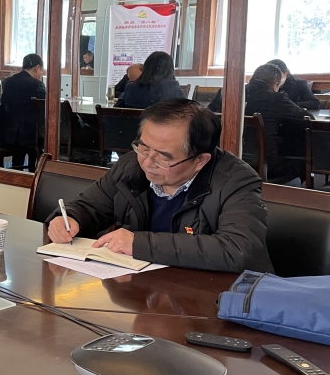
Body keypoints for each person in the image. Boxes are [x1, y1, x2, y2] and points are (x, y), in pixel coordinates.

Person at [47, 98, 271, 273]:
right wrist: (69, 219)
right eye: (144, 148)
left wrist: (138, 244)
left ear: (200, 160)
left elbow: (237, 250)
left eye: (163, 157)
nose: (147, 162)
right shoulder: (130, 167)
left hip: (216, 300)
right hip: (143, 291)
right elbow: (89, 206)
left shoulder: (236, 181)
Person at [244, 63, 311, 182]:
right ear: (275, 85)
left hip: (233, 159)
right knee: (300, 162)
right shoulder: (275, 98)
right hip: (268, 164)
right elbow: (308, 119)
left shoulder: (229, 93)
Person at [0, 53, 46, 172]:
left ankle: (17, 168)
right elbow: (42, 111)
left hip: (3, 135)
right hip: (26, 138)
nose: (42, 74)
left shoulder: (8, 82)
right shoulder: (37, 85)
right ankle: (36, 173)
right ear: (37, 68)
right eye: (42, 71)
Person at [115, 51, 184, 109]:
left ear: (145, 67)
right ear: (170, 70)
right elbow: (186, 109)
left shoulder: (131, 88)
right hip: (165, 121)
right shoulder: (173, 88)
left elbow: (116, 110)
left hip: (136, 121)